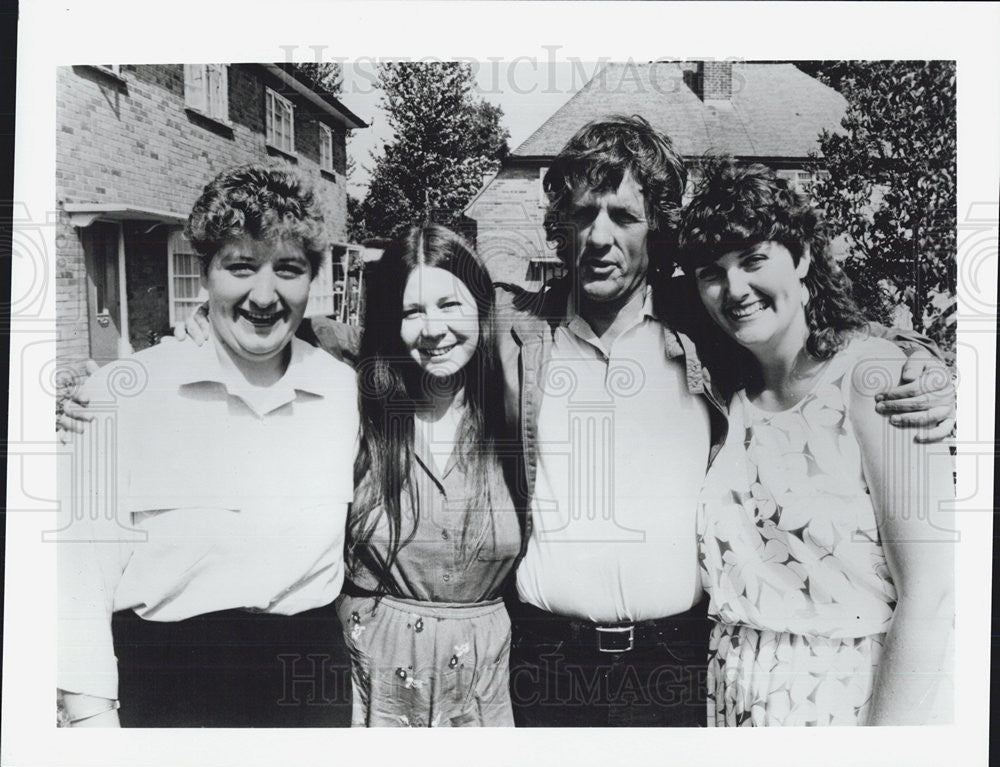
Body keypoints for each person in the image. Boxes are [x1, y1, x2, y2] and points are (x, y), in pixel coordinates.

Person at [498, 115, 955, 727]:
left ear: (655, 226)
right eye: (582, 215)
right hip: (547, 659)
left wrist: (924, 365)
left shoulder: (702, 324)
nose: (599, 236)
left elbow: (824, 336)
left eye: (624, 216)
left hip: (677, 664)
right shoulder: (522, 337)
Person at [56, 164, 358, 727]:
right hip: (170, 687)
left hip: (309, 686)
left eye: (287, 269)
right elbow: (77, 577)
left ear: (312, 279)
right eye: (241, 266)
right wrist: (91, 720)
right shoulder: (123, 397)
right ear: (206, 274)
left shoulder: (345, 392)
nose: (263, 295)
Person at [677, 159, 954, 726]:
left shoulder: (872, 377)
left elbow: (934, 595)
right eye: (712, 271)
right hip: (738, 693)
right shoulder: (726, 391)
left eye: (754, 259)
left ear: (802, 258)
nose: (734, 289)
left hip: (850, 698)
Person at [336, 224, 522, 727]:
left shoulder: (518, 411)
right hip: (373, 683)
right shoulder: (354, 408)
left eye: (449, 304)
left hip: (483, 687)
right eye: (412, 310)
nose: (433, 328)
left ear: (482, 309)